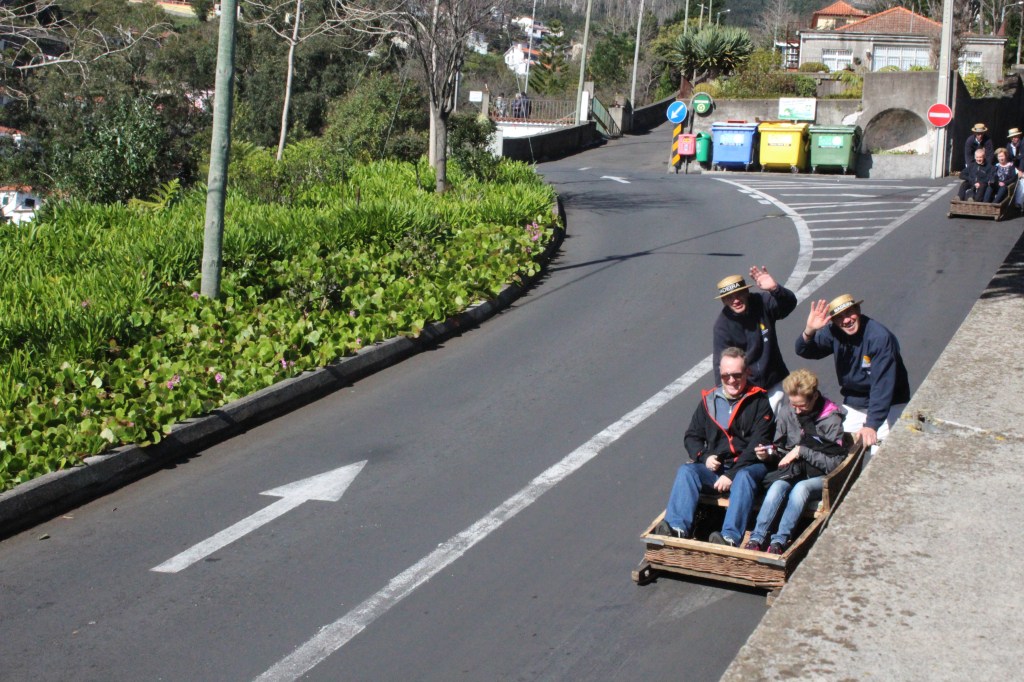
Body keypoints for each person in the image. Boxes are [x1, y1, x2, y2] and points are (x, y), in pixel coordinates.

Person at [654, 347, 776, 546]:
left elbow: (757, 445)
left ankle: (729, 537)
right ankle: (677, 528)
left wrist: (731, 475)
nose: (731, 381)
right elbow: (692, 436)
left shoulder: (760, 402)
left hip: (749, 466)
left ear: (747, 373)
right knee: (687, 471)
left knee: (743, 477)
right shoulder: (709, 400)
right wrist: (704, 456)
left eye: (736, 375)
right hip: (719, 468)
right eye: (725, 376)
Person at [743, 369, 847, 554]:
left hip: (819, 476)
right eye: (793, 405)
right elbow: (780, 449)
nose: (797, 411)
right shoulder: (787, 411)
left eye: (802, 406)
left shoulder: (832, 420)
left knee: (801, 489)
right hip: (794, 471)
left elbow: (835, 463)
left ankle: (779, 541)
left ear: (814, 396)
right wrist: (767, 454)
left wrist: (803, 451)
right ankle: (757, 538)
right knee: (777, 486)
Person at [796, 294, 909, 457]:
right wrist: (810, 330)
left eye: (849, 313)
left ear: (858, 310)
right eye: (839, 317)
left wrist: (871, 425)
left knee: (881, 455)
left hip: (889, 404)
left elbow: (882, 386)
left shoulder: (879, 338)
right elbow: (804, 350)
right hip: (856, 402)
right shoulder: (835, 331)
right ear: (833, 321)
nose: (846, 320)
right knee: (834, 448)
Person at [712, 267, 797, 410]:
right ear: (723, 301)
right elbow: (720, 364)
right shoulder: (722, 326)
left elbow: (789, 304)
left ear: (747, 292)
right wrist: (725, 395)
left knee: (785, 425)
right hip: (747, 390)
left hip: (776, 381)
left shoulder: (762, 302)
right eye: (729, 297)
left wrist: (775, 289)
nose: (736, 300)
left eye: (739, 294)